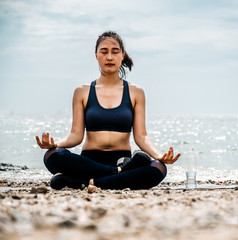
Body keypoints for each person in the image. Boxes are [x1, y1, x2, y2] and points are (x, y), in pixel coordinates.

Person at [35, 31, 181, 191]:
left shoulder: (135, 92)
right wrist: (55, 144)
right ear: (96, 55)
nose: (109, 57)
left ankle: (82, 183)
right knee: (52, 155)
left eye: (115, 52)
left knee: (158, 168)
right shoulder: (82, 91)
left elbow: (141, 136)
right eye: (104, 52)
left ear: (122, 55)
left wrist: (159, 155)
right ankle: (118, 173)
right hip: (90, 162)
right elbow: (75, 135)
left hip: (121, 158)